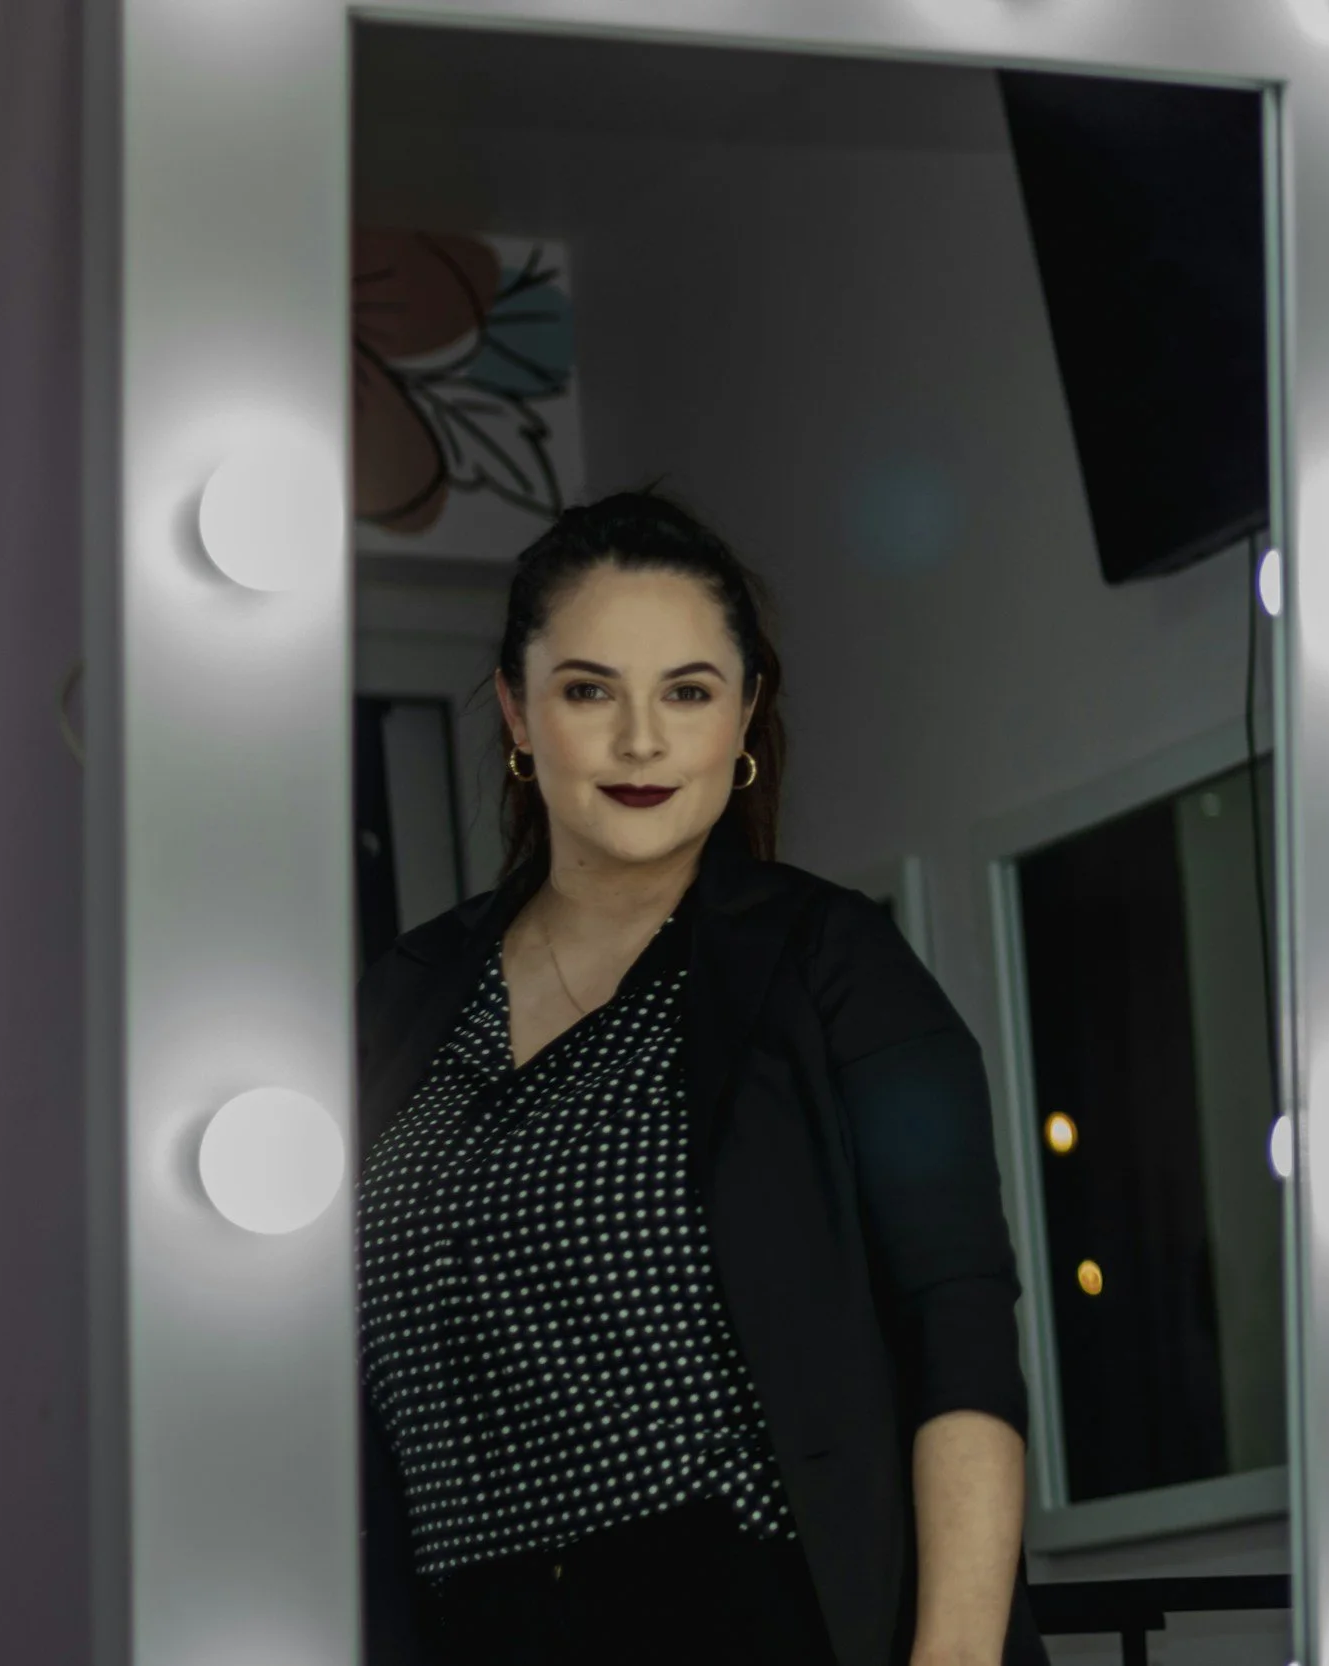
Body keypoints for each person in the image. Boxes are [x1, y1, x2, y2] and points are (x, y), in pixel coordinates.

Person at [356, 492, 1046, 1666]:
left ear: (744, 718)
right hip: (465, 1624)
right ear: (518, 714)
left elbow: (960, 1330)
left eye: (688, 690)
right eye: (589, 690)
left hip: (744, 1609)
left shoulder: (830, 963)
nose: (642, 741)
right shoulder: (403, 994)